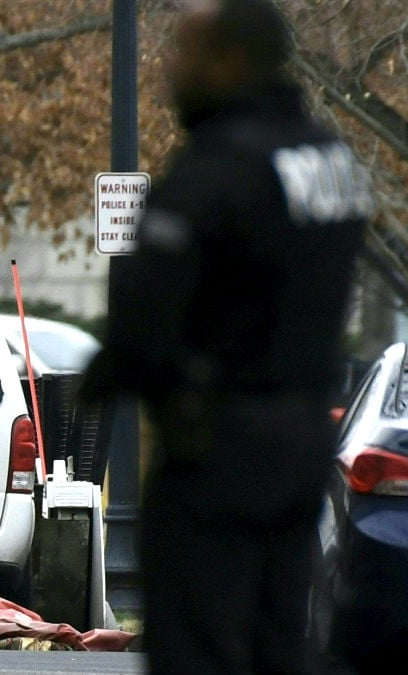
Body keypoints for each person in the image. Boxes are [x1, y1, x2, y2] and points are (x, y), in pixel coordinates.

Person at [79, 1, 370, 673]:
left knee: (198, 643)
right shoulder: (331, 162)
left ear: (232, 62)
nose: (172, 69)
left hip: (217, 447)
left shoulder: (217, 170)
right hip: (303, 442)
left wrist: (116, 375)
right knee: (277, 637)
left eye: (188, 51)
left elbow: (145, 315)